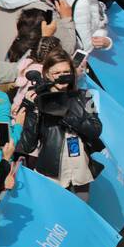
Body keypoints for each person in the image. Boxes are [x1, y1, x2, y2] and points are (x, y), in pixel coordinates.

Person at [13, 47, 102, 195]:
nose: (62, 77)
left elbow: (96, 129)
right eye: (57, 73)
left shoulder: (85, 96)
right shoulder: (38, 100)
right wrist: (33, 111)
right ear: (47, 74)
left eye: (66, 72)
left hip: (80, 170)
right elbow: (27, 145)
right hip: (52, 173)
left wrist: (66, 116)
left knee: (80, 213)